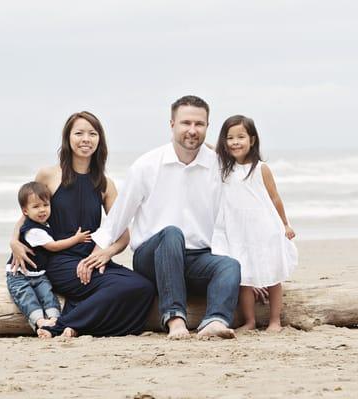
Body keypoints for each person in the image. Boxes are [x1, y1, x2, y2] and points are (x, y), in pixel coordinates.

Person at [83, 95, 241, 339]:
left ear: (208, 127)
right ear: (172, 125)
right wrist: (101, 251)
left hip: (197, 258)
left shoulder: (219, 166)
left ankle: (215, 321)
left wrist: (253, 276)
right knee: (171, 234)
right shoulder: (146, 165)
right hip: (153, 257)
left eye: (199, 124)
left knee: (230, 265)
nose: (192, 130)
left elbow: (232, 221)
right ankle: (175, 319)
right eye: (185, 123)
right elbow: (119, 215)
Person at [10, 111, 155, 338]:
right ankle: (58, 326)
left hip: (91, 259)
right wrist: (13, 241)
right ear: (68, 138)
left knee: (144, 287)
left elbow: (123, 233)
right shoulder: (49, 175)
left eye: (92, 133)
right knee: (118, 287)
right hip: (59, 262)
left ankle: (77, 324)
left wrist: (106, 254)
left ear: (100, 140)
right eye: (79, 133)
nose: (86, 139)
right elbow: (28, 214)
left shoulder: (106, 184)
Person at [211, 115, 298, 332]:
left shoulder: (261, 168)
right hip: (238, 231)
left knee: (273, 274)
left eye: (241, 136)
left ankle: (275, 321)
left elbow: (275, 198)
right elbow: (209, 148)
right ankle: (249, 321)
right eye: (229, 138)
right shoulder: (224, 167)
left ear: (252, 139)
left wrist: (285, 224)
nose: (235, 142)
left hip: (265, 229)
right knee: (244, 278)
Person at [5, 181, 92, 332]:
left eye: (45, 205)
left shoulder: (44, 225)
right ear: (25, 211)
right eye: (36, 207)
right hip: (19, 275)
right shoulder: (33, 230)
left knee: (48, 294)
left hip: (39, 273)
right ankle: (39, 321)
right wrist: (76, 239)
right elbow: (54, 246)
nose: (42, 210)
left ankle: (54, 319)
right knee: (27, 297)